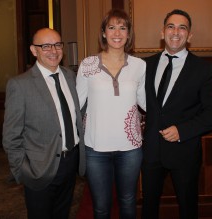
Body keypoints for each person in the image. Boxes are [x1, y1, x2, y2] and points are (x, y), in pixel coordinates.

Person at [141, 9, 212, 219]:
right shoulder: (144, 66)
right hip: (150, 152)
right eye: (171, 26)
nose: (176, 32)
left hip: (184, 151)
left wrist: (182, 131)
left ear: (190, 35)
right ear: (162, 32)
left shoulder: (204, 69)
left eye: (182, 27)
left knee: (188, 209)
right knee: (148, 209)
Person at [2, 28, 85, 219]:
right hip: (39, 170)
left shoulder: (70, 76)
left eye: (57, 44)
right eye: (45, 46)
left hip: (70, 163)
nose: (53, 51)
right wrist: (23, 172)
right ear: (34, 50)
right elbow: (11, 136)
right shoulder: (20, 85)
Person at [76, 9, 146, 219]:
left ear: (129, 33)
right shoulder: (87, 65)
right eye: (112, 27)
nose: (117, 33)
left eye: (122, 28)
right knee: (101, 206)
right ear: (104, 33)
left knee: (128, 202)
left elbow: (145, 102)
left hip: (130, 148)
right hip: (95, 147)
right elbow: (76, 104)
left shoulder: (139, 65)